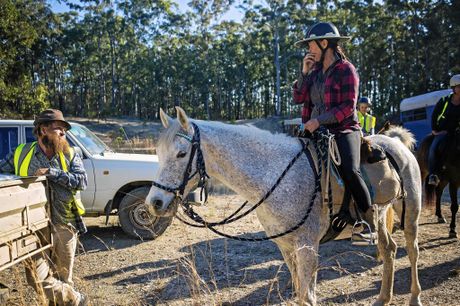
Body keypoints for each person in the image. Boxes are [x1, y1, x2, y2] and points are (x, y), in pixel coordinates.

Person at [292, 22, 377, 245]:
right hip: (316, 131)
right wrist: (303, 72)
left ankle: (368, 223)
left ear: (324, 43)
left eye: (311, 44)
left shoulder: (346, 70)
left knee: (350, 170)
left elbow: (348, 108)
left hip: (344, 129)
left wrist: (317, 120)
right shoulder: (314, 72)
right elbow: (298, 98)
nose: (308, 49)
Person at [0, 109, 88, 305]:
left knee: (63, 277)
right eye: (59, 128)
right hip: (31, 229)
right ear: (42, 130)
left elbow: (82, 181)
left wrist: (52, 173)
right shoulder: (21, 153)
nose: (63, 133)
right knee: (36, 278)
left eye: (64, 129)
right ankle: (76, 299)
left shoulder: (71, 154)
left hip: (64, 224)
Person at [427, 74, 460, 186]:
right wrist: (435, 131)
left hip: (456, 132)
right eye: (459, 86)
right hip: (442, 132)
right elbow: (434, 115)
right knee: (433, 149)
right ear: (453, 88)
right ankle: (433, 175)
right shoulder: (444, 101)